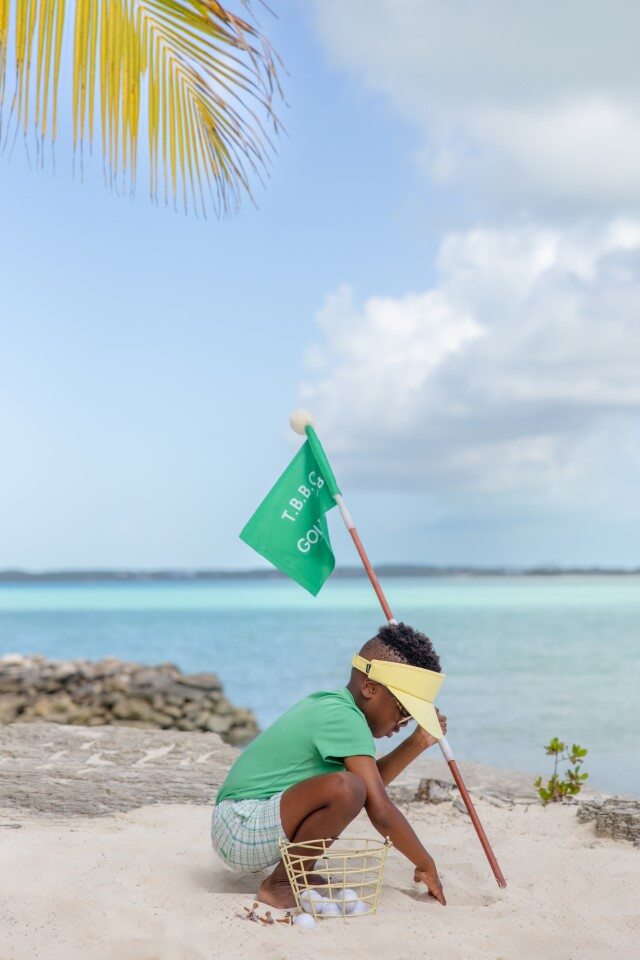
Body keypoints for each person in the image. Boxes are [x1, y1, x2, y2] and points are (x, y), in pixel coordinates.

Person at [211, 621, 448, 908]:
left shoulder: (338, 707)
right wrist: (426, 863)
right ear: (370, 688)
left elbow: (369, 790)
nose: (403, 723)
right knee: (346, 787)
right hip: (240, 826)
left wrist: (417, 742)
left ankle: (295, 875)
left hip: (243, 823)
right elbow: (379, 808)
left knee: (352, 787)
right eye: (403, 711)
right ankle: (281, 884)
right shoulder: (344, 718)